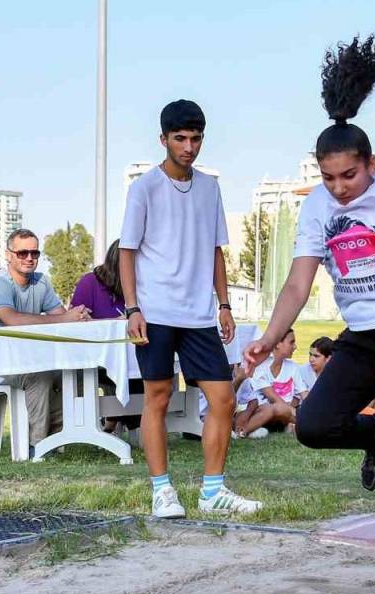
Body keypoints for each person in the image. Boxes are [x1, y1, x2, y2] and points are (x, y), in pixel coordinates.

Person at [243, 35, 375, 500]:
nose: (339, 188)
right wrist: (266, 337)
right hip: (364, 335)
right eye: (328, 177)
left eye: (350, 175)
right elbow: (298, 282)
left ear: (372, 165)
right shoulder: (318, 206)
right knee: (314, 426)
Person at [121, 99, 263, 518]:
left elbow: (216, 250)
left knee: (221, 398)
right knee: (158, 398)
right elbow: (127, 252)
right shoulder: (144, 187)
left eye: (196, 138)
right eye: (180, 139)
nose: (189, 147)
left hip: (200, 314)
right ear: (163, 139)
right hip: (156, 311)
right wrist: (132, 308)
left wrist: (224, 304)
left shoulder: (209, 187)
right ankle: (162, 491)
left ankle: (213, 491)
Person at [0, 228, 91, 448]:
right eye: (22, 253)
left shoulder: (41, 282)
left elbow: (62, 316)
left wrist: (78, 316)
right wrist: (65, 319)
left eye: (35, 253)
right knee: (39, 376)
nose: (29, 258)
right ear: (8, 255)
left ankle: (56, 436)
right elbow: (12, 319)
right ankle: (37, 446)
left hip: (26, 359)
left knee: (80, 374)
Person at [72, 241, 144, 433]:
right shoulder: (89, 283)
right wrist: (115, 321)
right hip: (94, 357)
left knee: (148, 366)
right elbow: (75, 323)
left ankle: (126, 422)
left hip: (134, 357)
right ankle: (120, 421)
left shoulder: (143, 287)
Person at [239, 329, 308, 437]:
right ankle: (242, 432)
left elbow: (304, 393)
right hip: (260, 412)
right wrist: (297, 415)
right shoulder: (261, 367)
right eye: (291, 342)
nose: (295, 347)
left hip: (283, 414)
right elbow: (274, 399)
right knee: (272, 409)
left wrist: (314, 411)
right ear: (277, 344)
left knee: (282, 410)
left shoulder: (292, 367)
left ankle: (291, 425)